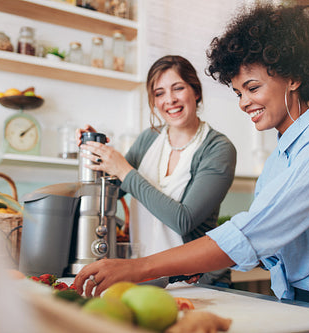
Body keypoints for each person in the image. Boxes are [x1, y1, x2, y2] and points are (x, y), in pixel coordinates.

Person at [75, 4, 309, 311]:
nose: (244, 103)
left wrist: (140, 268)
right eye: (239, 92)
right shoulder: (280, 156)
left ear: (294, 78)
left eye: (253, 88)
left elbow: (252, 233)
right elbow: (271, 241)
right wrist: (196, 263)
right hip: (303, 300)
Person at [76, 55, 237, 287]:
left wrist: (124, 169)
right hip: (146, 279)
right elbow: (109, 194)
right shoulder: (148, 139)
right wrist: (92, 150)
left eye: (178, 88)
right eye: (159, 93)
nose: (169, 100)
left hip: (199, 282)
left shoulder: (218, 148)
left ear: (196, 92)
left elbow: (183, 220)